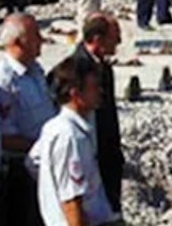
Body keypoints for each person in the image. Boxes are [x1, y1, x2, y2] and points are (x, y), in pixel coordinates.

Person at [0, 14, 55, 226]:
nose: (41, 40)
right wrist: (42, 145)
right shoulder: (2, 81)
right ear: (17, 42)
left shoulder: (35, 70)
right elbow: (1, 136)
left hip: (43, 162)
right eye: (35, 35)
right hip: (19, 168)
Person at [31, 54, 117, 226]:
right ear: (76, 94)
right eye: (93, 87)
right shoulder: (70, 136)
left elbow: (33, 162)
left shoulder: (53, 127)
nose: (100, 92)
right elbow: (72, 201)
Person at [72, 13, 124, 215]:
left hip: (107, 154)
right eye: (114, 36)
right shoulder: (76, 69)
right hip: (91, 155)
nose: (119, 42)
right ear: (97, 39)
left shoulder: (103, 67)